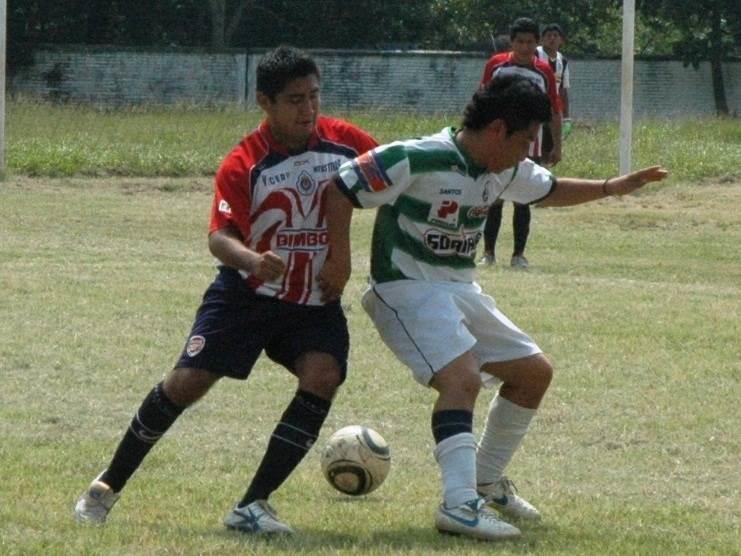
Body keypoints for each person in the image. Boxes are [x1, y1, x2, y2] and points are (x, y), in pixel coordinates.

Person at [319, 74, 667, 542]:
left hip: (459, 288)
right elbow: (341, 188)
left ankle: (484, 482)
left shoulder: (504, 168)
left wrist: (611, 187)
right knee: (461, 379)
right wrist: (339, 261)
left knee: (533, 373)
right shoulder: (419, 156)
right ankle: (459, 506)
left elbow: (549, 189)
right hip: (406, 287)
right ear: (499, 130)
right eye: (526, 140)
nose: (529, 151)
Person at [73, 45, 377, 535]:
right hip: (245, 297)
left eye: (314, 96)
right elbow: (220, 237)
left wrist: (348, 256)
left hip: (312, 300)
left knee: (323, 375)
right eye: (295, 100)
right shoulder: (244, 162)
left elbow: (389, 178)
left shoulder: (347, 144)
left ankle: (253, 505)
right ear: (265, 103)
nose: (309, 109)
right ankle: (106, 486)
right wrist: (255, 260)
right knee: (186, 384)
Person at [479, 17, 562, 269]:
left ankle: (518, 255)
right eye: (520, 42)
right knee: (494, 197)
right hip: (497, 141)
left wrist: (557, 144)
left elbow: (553, 110)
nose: (524, 47)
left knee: (523, 197)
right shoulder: (496, 66)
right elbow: (481, 99)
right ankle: (488, 253)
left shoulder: (544, 71)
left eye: (529, 42)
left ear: (536, 43)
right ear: (511, 42)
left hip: (529, 144)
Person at [537, 23, 572, 142]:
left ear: (561, 40)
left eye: (555, 35)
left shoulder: (562, 61)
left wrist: (566, 118)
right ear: (542, 39)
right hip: (533, 107)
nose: (552, 38)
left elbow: (563, 90)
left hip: (551, 110)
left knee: (549, 147)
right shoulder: (535, 55)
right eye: (548, 35)